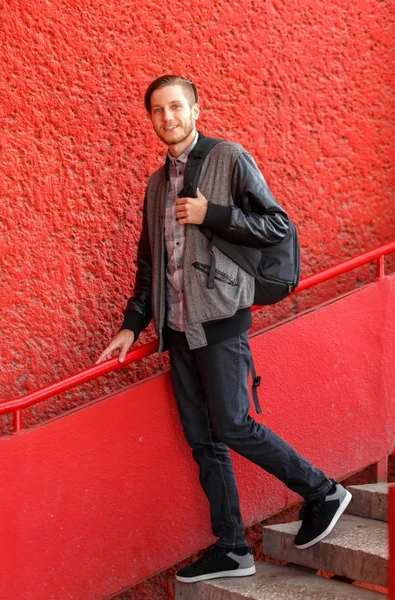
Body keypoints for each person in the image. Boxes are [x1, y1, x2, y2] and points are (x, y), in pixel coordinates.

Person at [96, 75, 352, 584]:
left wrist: (212, 214)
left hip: (220, 321)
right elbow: (149, 264)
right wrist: (132, 325)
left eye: (175, 107)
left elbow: (278, 225)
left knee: (233, 425)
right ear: (150, 118)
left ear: (195, 109)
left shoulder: (229, 158)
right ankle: (233, 548)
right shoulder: (154, 185)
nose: (166, 118)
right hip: (176, 330)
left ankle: (323, 491)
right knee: (203, 440)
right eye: (157, 111)